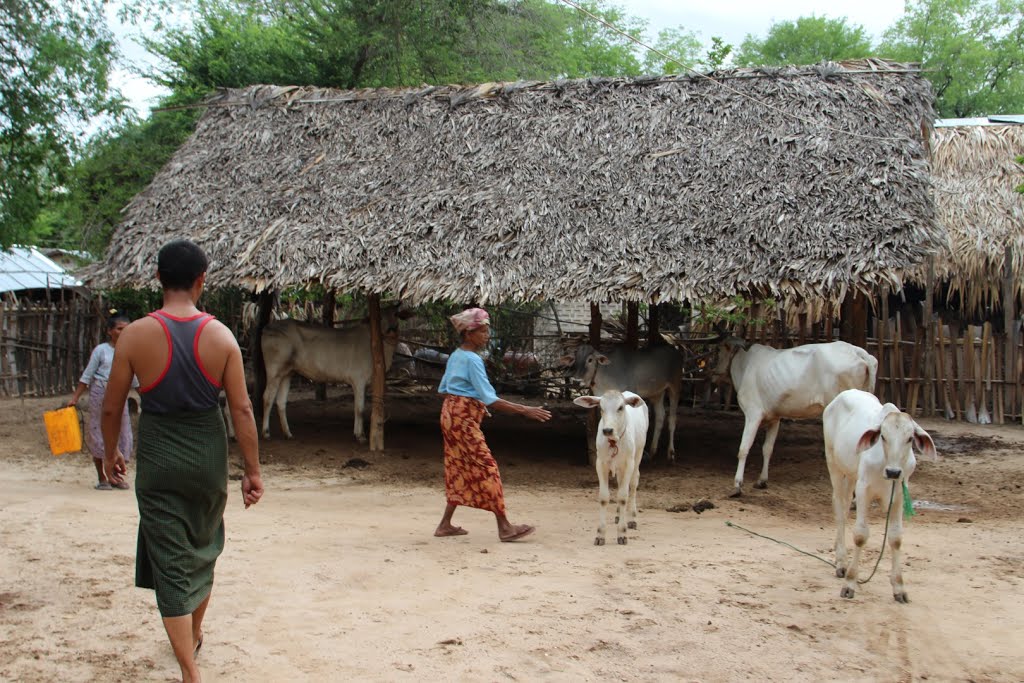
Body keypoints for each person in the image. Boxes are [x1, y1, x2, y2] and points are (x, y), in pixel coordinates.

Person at [100, 239, 263, 683]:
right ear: (201, 281)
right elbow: (243, 410)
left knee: (171, 560)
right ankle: (191, 635)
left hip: (158, 460)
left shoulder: (134, 335)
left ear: (157, 279)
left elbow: (112, 407)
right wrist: (252, 471)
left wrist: (113, 452)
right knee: (203, 548)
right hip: (208, 459)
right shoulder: (221, 336)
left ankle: (190, 669)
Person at [434, 307, 550, 542]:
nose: (487, 335)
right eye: (483, 331)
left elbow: (443, 390)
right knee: (487, 468)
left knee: (458, 467)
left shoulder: (457, 355)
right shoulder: (473, 360)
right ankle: (505, 527)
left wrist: (469, 403)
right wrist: (525, 410)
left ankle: (445, 524)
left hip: (449, 415)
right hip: (463, 420)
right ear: (469, 333)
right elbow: (491, 398)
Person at [68, 311, 136, 490]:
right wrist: (75, 398)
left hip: (121, 396)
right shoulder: (101, 351)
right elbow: (87, 376)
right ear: (109, 331)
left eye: (126, 329)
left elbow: (135, 380)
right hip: (100, 394)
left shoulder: (130, 351)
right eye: (120, 329)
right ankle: (102, 477)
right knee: (99, 432)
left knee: (122, 433)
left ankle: (117, 476)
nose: (123, 332)